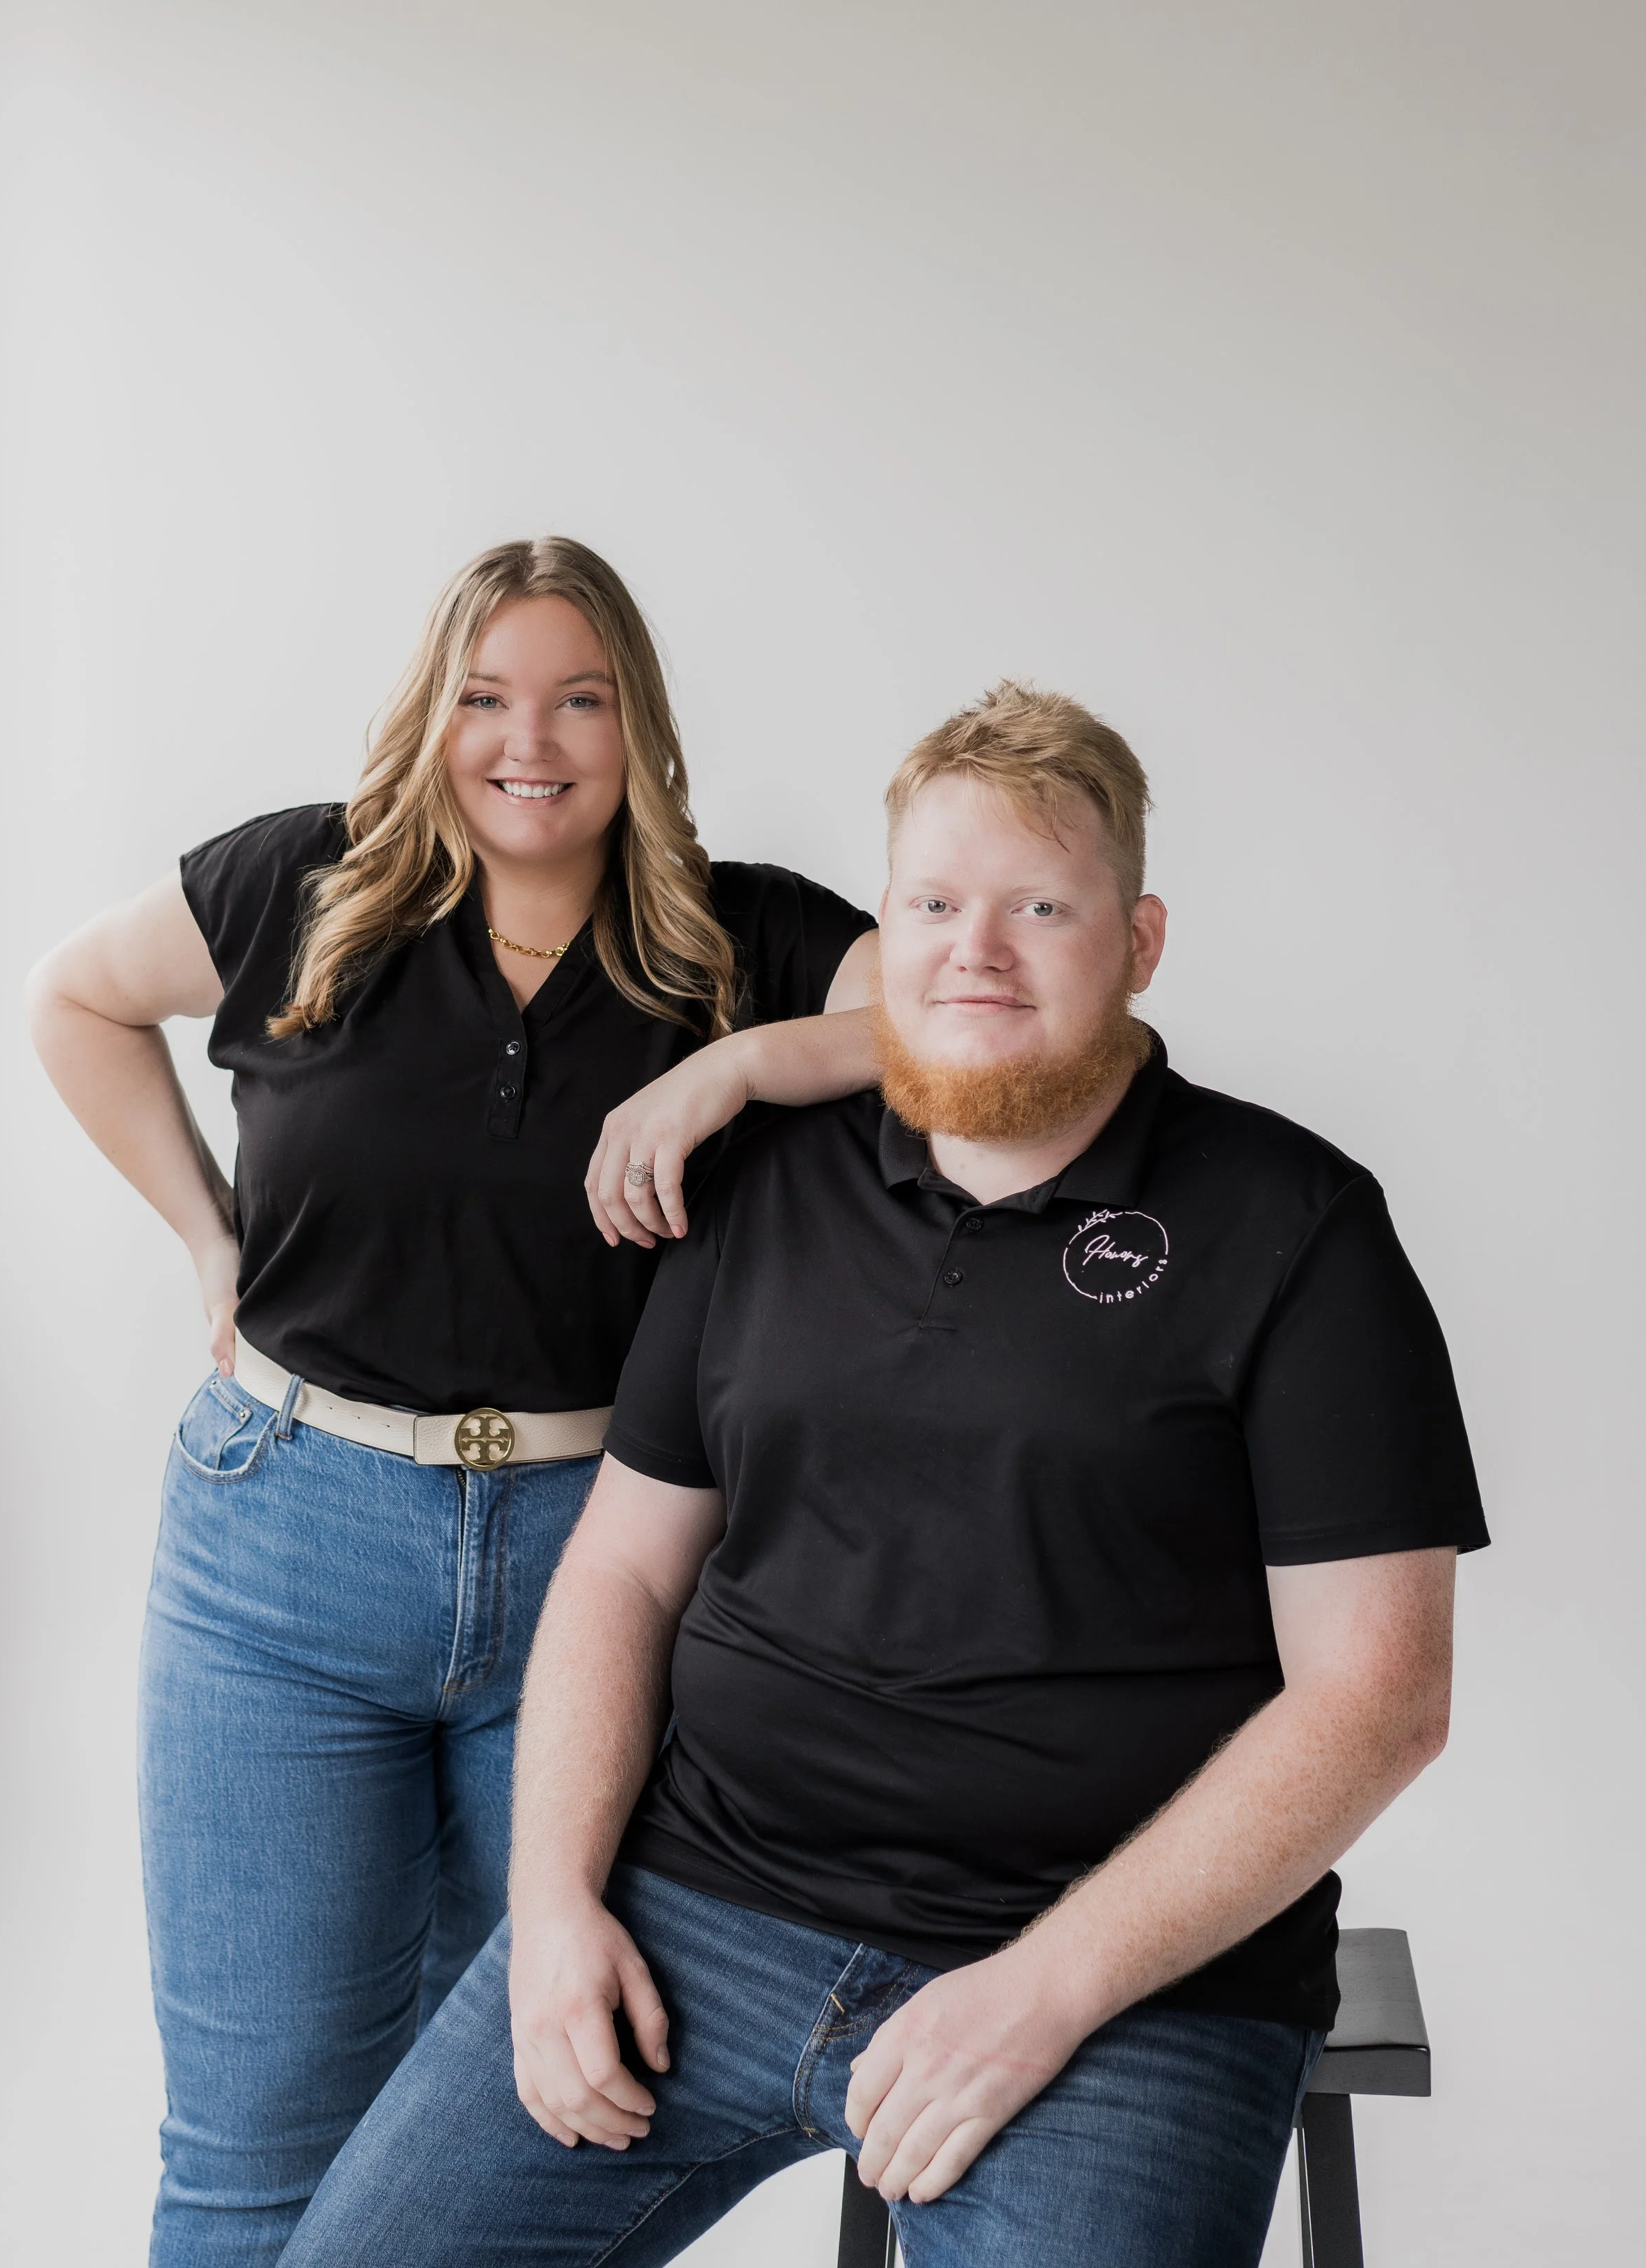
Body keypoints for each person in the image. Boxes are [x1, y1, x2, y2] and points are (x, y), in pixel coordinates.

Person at [275, 681, 1489, 2268]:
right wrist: (554, 1904)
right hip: (701, 1903)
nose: (971, 949)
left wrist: (1038, 1990)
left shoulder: (1295, 1227)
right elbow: (626, 1569)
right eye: (932, 901)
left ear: (1138, 941)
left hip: (1114, 1981)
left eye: (1039, 905)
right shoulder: (768, 1182)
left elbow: (1376, 1697)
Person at [24, 537, 886, 2268]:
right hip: (280, 1551)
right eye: (485, 696)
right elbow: (77, 998)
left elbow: (961, 1032)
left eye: (580, 697)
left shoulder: (745, 938)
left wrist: (738, 1061)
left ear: (637, 722)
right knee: (256, 2160)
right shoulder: (300, 889)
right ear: (431, 716)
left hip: (607, 1574)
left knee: (531, 2147)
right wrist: (211, 1242)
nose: (530, 739)